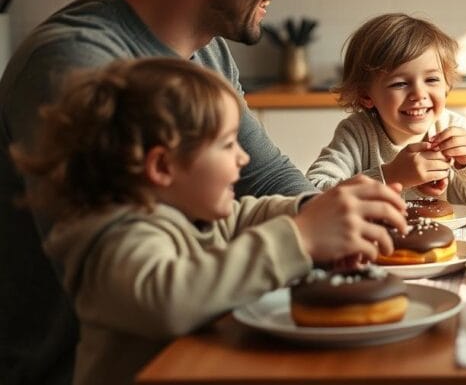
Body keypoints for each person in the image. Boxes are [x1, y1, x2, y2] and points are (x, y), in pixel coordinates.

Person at [0, 0, 404, 385]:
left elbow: (261, 178)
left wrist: (336, 212)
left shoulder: (206, 47)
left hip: (192, 338)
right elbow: (135, 270)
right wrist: (305, 234)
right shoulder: (75, 62)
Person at [12, 58, 407, 385]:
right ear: (163, 166)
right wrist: (301, 238)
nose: (243, 158)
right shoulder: (113, 238)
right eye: (227, 145)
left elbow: (246, 215)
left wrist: (310, 212)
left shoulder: (189, 214)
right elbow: (166, 298)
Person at [306, 13, 466, 210]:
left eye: (431, 80)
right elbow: (311, 192)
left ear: (446, 85)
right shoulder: (357, 132)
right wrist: (390, 176)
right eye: (399, 84)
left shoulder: (452, 127)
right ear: (366, 96)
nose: (418, 94)